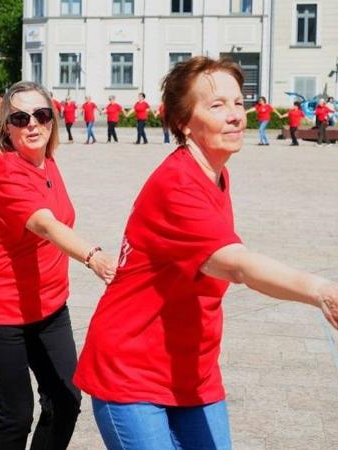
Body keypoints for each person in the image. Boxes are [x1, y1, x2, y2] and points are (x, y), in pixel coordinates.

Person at [74, 56, 338, 449]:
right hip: (133, 371)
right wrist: (320, 290)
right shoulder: (177, 185)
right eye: (217, 106)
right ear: (184, 122)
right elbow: (239, 266)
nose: (234, 115)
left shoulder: (215, 172)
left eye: (237, 102)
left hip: (192, 368)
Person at [0, 81, 116, 450]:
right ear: (7, 126)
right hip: (1, 313)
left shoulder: (47, 163)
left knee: (67, 399)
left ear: (52, 120)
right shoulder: (7, 173)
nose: (32, 124)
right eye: (20, 117)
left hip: (49, 306)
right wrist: (93, 256)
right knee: (16, 415)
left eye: (41, 114)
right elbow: (46, 224)